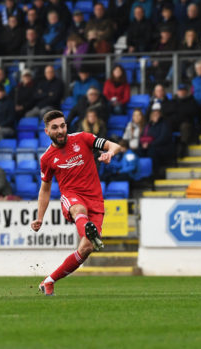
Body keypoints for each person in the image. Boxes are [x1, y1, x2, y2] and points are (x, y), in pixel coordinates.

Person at [34, 110, 121, 296]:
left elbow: (114, 145)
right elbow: (45, 189)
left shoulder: (83, 138)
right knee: (79, 209)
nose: (60, 130)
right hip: (72, 197)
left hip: (95, 200)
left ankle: (48, 281)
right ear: (47, 131)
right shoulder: (47, 159)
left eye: (63, 126)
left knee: (86, 248)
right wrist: (39, 217)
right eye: (55, 127)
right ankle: (90, 231)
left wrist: (110, 153)